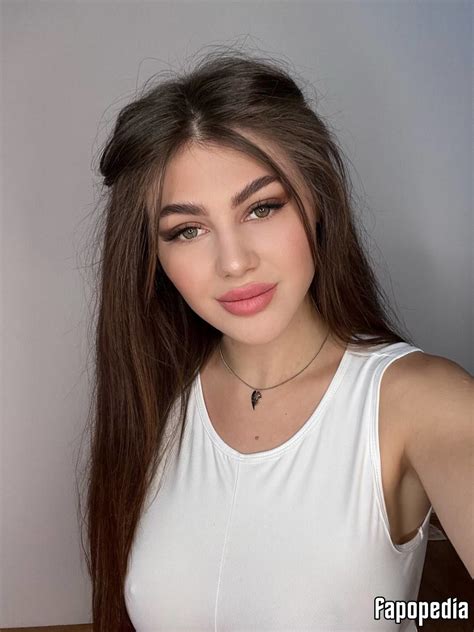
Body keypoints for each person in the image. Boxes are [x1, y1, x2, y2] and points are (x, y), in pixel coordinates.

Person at [80, 49, 473, 631]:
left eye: (262, 208)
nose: (234, 262)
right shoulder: (153, 401)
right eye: (187, 230)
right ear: (153, 256)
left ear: (317, 200)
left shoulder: (419, 401)